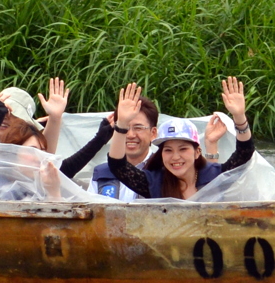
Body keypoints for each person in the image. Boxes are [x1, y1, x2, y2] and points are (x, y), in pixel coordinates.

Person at [106, 79, 253, 199]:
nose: (175, 157)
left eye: (183, 149)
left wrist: (239, 117)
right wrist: (122, 124)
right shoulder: (154, 182)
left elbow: (244, 153)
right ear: (161, 155)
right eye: (168, 150)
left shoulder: (214, 176)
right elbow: (117, 166)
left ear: (197, 152)